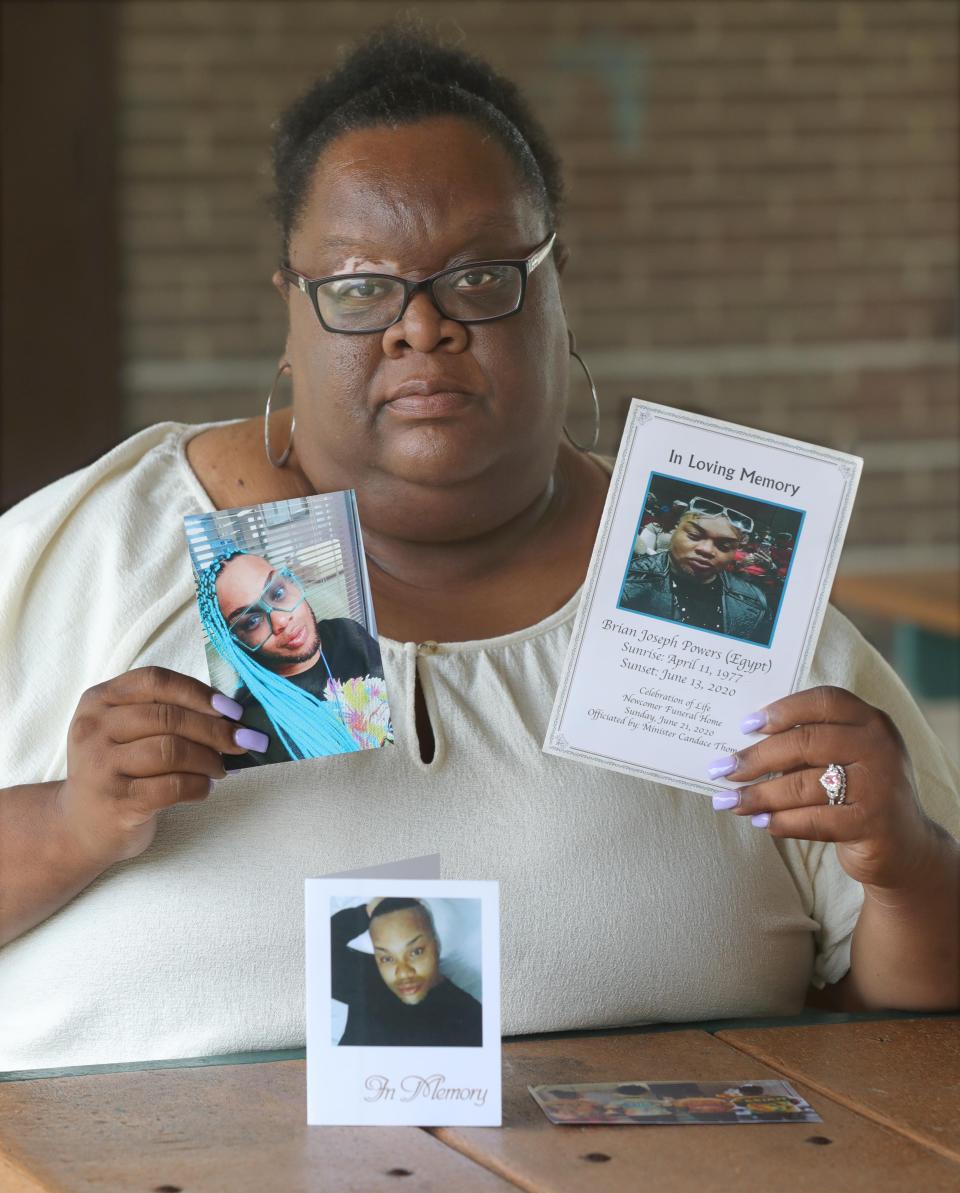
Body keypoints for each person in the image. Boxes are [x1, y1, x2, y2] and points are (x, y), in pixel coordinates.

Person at [0, 22, 957, 1071]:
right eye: (360, 287)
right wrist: (69, 820)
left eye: (481, 276)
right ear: (290, 310)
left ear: (556, 288)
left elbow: (905, 1043)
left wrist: (902, 861)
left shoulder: (716, 571)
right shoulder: (90, 553)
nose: (421, 327)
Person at [198, 549, 388, 766]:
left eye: (277, 594)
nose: (281, 620)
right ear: (234, 642)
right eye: (251, 622)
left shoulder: (346, 632)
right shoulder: (251, 723)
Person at [331, 897, 482, 1047]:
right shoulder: (370, 982)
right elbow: (317, 949)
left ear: (436, 945)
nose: (403, 973)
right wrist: (366, 912)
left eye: (416, 952)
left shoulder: (470, 1017)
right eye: (386, 958)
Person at [620, 508, 771, 643]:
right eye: (694, 536)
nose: (706, 549)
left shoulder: (755, 603)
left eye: (723, 546)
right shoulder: (627, 582)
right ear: (674, 531)